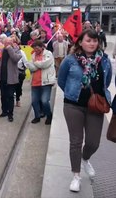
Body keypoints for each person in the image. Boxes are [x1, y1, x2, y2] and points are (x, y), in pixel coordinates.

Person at [57, 29, 111, 192]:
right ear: (80, 42)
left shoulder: (105, 60)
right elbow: (61, 80)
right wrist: (71, 92)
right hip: (73, 105)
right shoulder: (70, 60)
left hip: (96, 106)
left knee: (93, 142)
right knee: (76, 141)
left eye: (95, 41)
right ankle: (76, 176)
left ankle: (85, 158)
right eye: (88, 40)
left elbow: (107, 81)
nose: (92, 44)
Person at [26, 40, 56, 125]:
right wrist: (37, 65)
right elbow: (30, 67)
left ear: (42, 47)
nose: (36, 50)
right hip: (35, 82)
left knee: (44, 101)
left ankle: (48, 115)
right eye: (34, 48)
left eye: (37, 48)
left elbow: (45, 64)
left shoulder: (48, 54)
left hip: (46, 81)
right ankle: (37, 116)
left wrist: (35, 63)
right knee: (34, 101)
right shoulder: (33, 55)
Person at [0, 36, 22, 122]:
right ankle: (4, 111)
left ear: (12, 43)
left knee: (10, 96)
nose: (6, 45)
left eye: (8, 43)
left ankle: (10, 114)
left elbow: (15, 59)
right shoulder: (1, 51)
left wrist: (10, 49)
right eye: (5, 43)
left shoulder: (16, 50)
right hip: (2, 77)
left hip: (11, 78)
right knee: (3, 96)